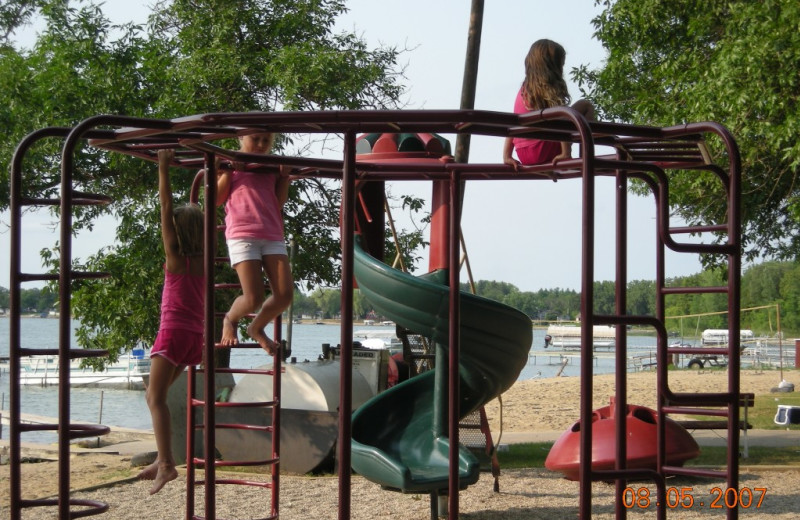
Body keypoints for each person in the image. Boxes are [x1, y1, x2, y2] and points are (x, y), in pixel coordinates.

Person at [139, 149, 206, 495]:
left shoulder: (176, 259)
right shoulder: (205, 262)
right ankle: (163, 458)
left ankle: (166, 463)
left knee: (155, 398)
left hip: (174, 332)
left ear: (177, 232)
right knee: (158, 395)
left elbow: (166, 208)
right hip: (195, 337)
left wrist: (163, 169)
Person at [216, 132, 293, 356]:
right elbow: (217, 199)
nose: (260, 145)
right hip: (242, 234)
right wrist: (230, 172)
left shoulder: (271, 165)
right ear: (241, 137)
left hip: (272, 233)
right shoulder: (228, 161)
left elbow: (277, 201)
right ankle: (230, 318)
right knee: (254, 297)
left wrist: (284, 177)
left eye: (266, 140)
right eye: (255, 139)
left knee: (285, 294)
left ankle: (256, 327)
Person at [503, 39, 595, 167]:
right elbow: (561, 116)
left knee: (557, 117)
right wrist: (565, 153)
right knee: (585, 105)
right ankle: (586, 152)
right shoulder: (549, 88)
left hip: (523, 153)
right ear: (553, 66)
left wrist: (507, 156)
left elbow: (515, 122)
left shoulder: (524, 90)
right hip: (542, 149)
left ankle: (581, 148)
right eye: (561, 65)